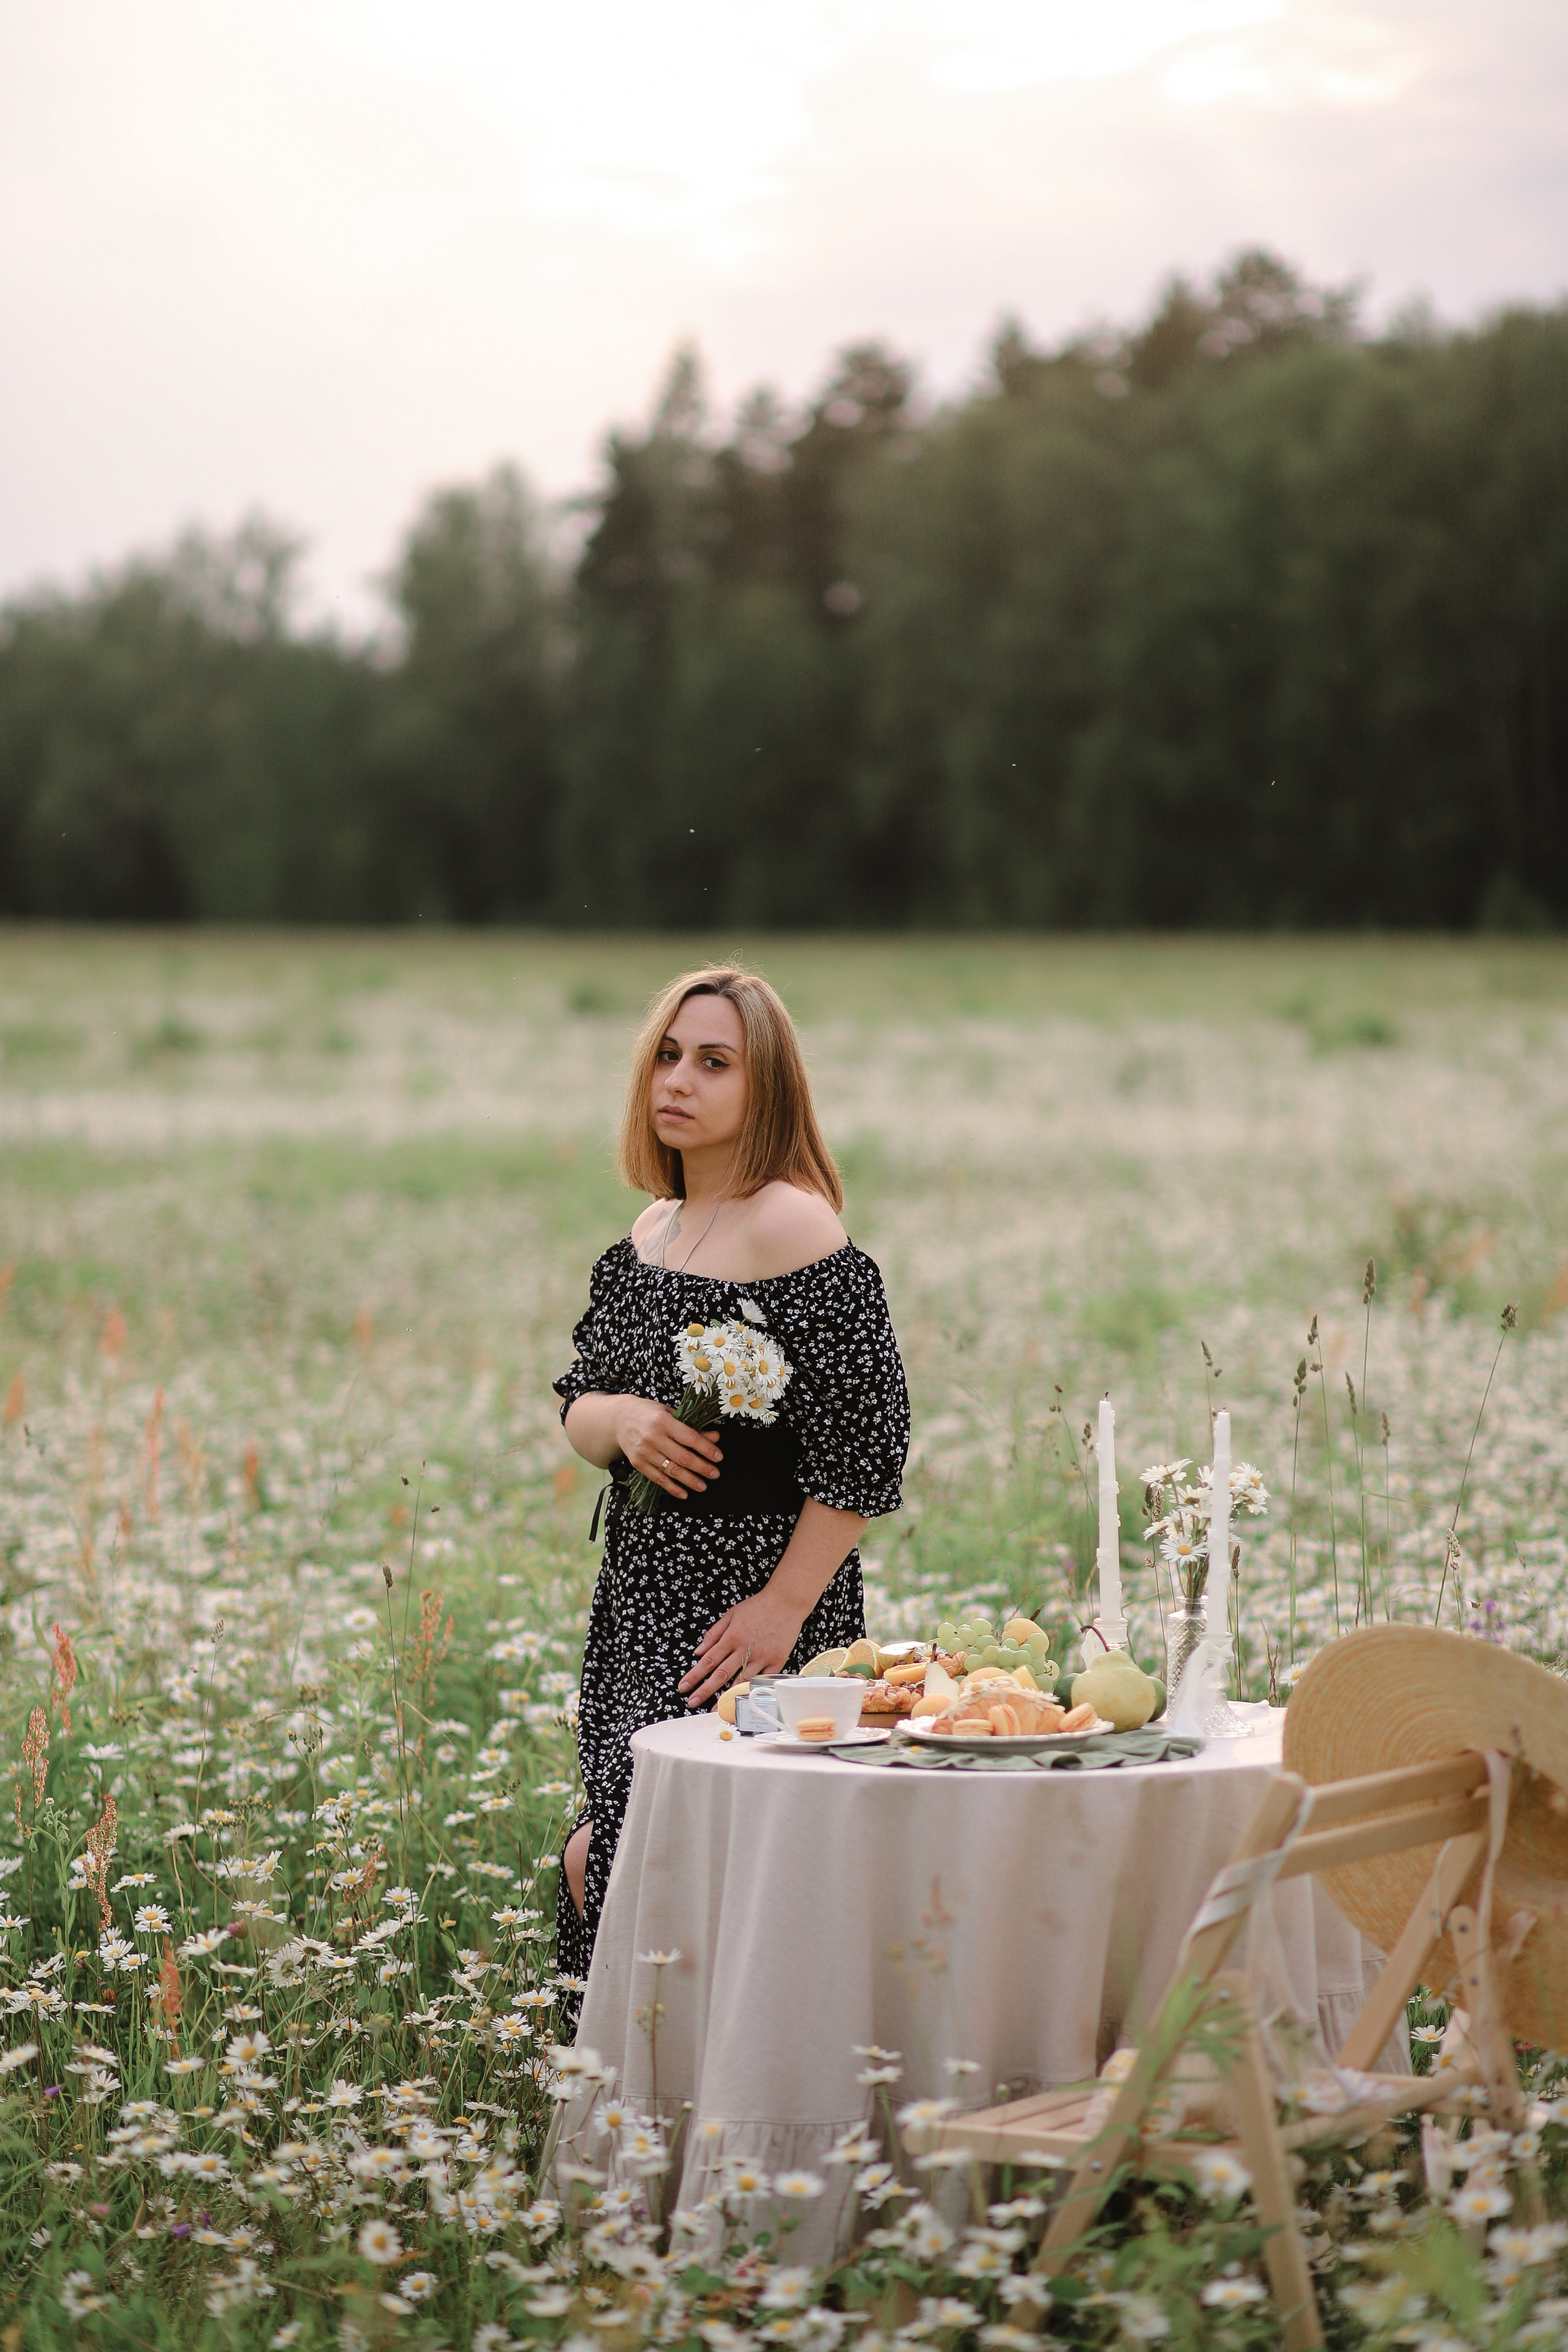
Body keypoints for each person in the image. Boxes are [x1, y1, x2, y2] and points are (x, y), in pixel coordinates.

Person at [552, 964, 910, 1996]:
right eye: (668, 1054)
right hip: (640, 1590)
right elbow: (581, 1397)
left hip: (752, 1602)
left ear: (769, 1090)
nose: (680, 1080)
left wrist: (784, 1610)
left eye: (715, 1062)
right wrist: (621, 1422)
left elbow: (869, 1441)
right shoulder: (650, 1234)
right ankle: (621, 2103)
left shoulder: (793, 1226)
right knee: (620, 1841)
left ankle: (716, 2107)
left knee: (694, 1860)